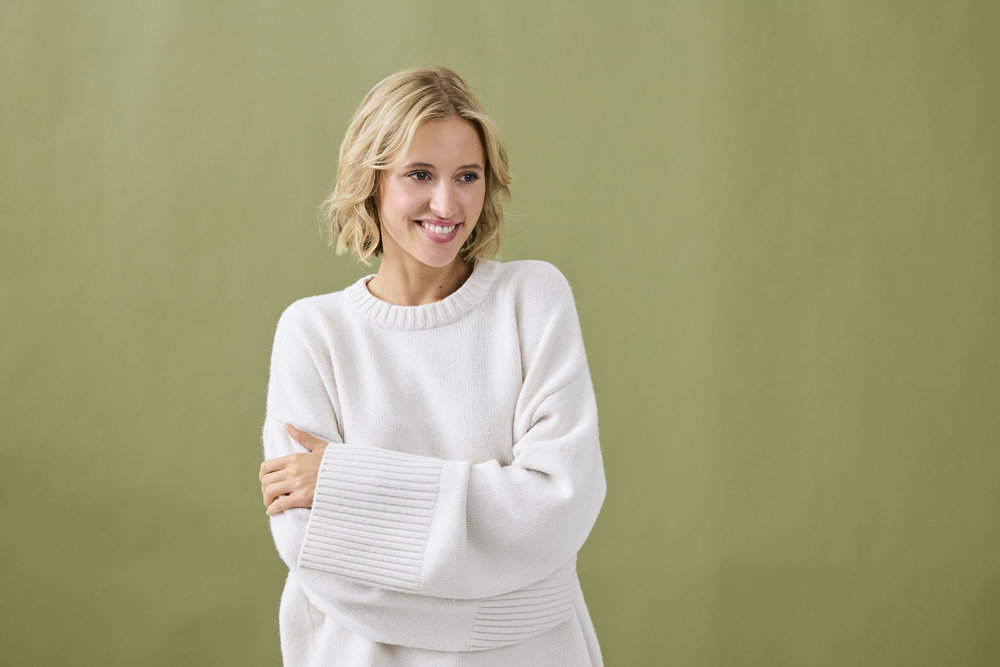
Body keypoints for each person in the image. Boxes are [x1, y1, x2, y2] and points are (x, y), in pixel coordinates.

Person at [258, 67, 606, 666]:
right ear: (371, 182)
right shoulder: (314, 333)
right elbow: (310, 549)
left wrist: (351, 484)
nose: (447, 204)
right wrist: (510, 594)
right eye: (419, 174)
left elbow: (560, 506)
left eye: (467, 176)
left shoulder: (533, 300)